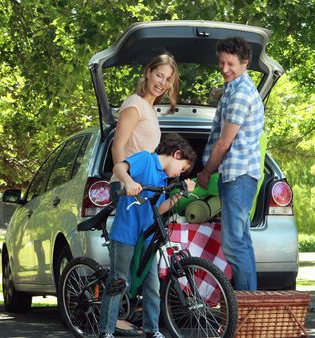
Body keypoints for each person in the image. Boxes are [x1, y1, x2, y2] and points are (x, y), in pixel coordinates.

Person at [99, 133, 197, 338]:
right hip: (126, 231)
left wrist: (179, 194)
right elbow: (119, 167)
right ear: (176, 154)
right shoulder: (145, 159)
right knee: (118, 281)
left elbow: (160, 209)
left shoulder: (163, 179)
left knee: (152, 284)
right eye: (183, 168)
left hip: (148, 236)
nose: (179, 174)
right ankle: (106, 331)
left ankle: (152, 329)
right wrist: (128, 181)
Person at [108, 53, 179, 336]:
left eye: (168, 79)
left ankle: (152, 329)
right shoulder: (134, 106)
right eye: (160, 75)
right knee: (123, 269)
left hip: (145, 190)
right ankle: (107, 327)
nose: (162, 82)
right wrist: (126, 180)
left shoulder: (150, 109)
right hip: (128, 188)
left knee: (149, 260)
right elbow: (118, 147)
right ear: (148, 72)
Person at [196, 37, 264, 291]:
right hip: (238, 176)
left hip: (238, 176)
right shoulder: (233, 89)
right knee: (242, 242)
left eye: (231, 64)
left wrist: (205, 173)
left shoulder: (241, 95)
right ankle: (248, 305)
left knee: (234, 244)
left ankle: (245, 305)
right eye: (222, 62)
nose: (225, 68)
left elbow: (224, 143)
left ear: (245, 63)